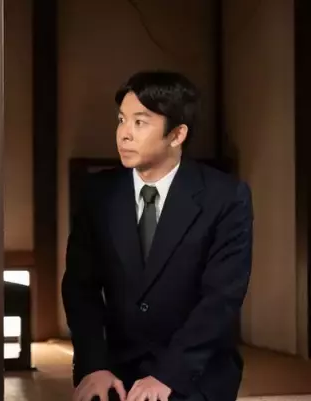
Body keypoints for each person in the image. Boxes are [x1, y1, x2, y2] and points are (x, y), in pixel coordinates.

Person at [62, 71, 253, 401]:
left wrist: (169, 375)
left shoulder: (225, 197)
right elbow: (80, 288)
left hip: (195, 370)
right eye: (121, 120)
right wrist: (94, 365)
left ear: (177, 134)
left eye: (140, 122)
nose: (124, 134)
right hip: (116, 368)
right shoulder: (98, 194)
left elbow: (221, 298)